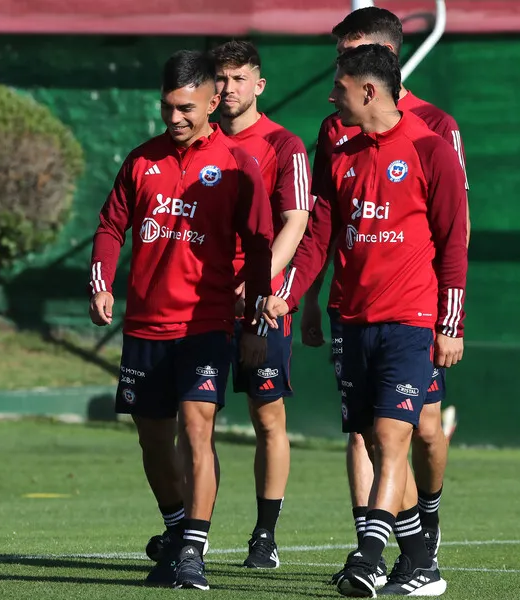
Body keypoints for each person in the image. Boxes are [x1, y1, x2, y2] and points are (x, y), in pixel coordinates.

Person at [270, 44, 467, 596]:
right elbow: (318, 237)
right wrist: (290, 293)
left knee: (392, 434)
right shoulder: (340, 153)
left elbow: (454, 245)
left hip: (412, 319)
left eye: (340, 86)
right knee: (376, 442)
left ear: (369, 90)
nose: (332, 96)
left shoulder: (432, 151)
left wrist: (450, 323)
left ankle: (368, 556)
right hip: (350, 320)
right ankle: (422, 562)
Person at [89, 49, 276, 591]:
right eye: (168, 107)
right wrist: (101, 280)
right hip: (145, 328)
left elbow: (261, 247)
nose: (175, 118)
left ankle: (192, 549)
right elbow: (109, 225)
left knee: (198, 429)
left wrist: (256, 324)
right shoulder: (141, 160)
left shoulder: (239, 164)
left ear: (214, 100)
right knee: (153, 440)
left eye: (187, 108)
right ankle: (175, 530)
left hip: (206, 326)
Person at [209, 40, 313, 569]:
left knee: (267, 418)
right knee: (194, 420)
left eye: (238, 78)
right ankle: (190, 534)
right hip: (198, 306)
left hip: (262, 306)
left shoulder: (283, 144)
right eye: (220, 79)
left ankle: (265, 536)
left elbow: (297, 221)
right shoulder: (196, 143)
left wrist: (258, 285)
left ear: (259, 84)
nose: (228, 89)